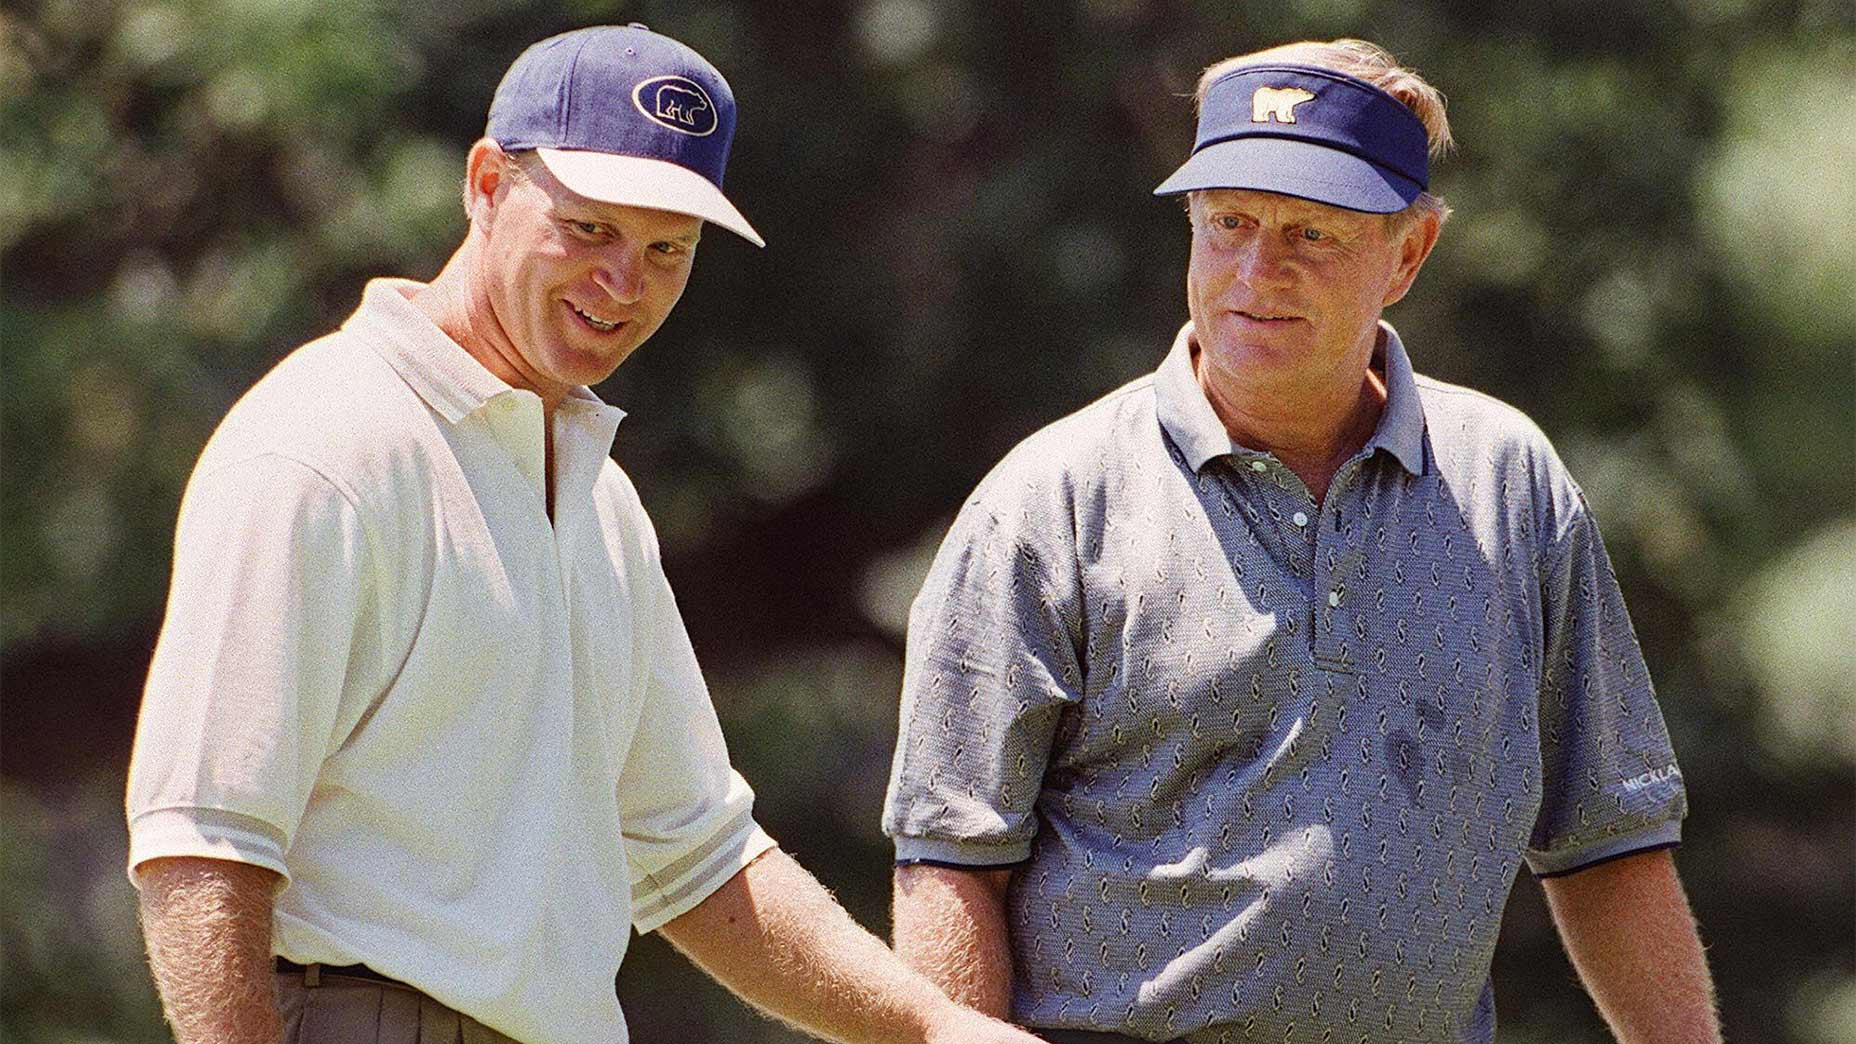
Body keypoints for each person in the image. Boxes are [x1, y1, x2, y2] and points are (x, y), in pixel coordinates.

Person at [126, 24, 1049, 1044]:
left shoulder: (596, 494)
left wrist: (926, 1027)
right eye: (588, 229)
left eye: (666, 250)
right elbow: (201, 848)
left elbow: (693, 855)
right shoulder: (325, 445)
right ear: (485, 184)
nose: (624, 283)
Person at [882, 39, 1722, 1044]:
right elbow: (948, 864)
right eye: (1226, 224)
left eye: (1310, 235)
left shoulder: (1508, 481)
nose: (1254, 272)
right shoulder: (1047, 501)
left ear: (1406, 254)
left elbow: (1607, 843)